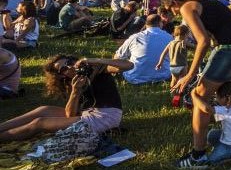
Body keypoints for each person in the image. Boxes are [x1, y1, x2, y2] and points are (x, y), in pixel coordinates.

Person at [161, 0, 231, 169]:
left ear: (173, 2)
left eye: (169, 9)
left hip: (230, 49)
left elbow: (203, 40)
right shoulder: (206, 0)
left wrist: (190, 74)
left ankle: (198, 156)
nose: (173, 13)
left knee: (199, 96)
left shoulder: (186, 7)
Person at [0, 55, 132, 141]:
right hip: (87, 113)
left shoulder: (97, 69)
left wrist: (97, 60)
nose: (69, 66)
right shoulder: (73, 82)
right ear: (62, 76)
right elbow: (70, 114)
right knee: (43, 109)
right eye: (63, 68)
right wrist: (75, 91)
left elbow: (129, 65)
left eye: (69, 62)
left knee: (39, 122)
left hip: (106, 116)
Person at [189, 81, 231, 165]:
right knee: (212, 135)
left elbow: (206, 109)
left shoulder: (226, 110)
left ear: (226, 98)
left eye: (217, 96)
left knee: (210, 160)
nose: (216, 99)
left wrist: (194, 96)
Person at [117, 14, 173, 85]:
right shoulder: (169, 37)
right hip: (163, 76)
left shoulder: (135, 37)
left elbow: (118, 56)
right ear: (160, 23)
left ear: (146, 24)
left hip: (135, 77)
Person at [156, 24, 191, 90]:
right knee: (182, 79)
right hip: (182, 65)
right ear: (186, 34)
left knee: (173, 80)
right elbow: (195, 47)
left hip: (172, 66)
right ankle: (180, 92)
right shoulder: (184, 42)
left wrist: (160, 63)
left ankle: (173, 92)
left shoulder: (171, 43)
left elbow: (163, 53)